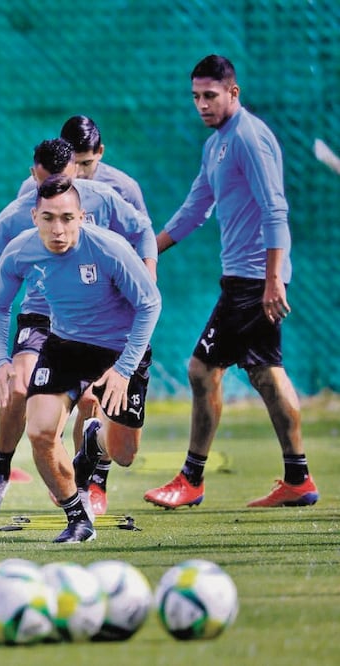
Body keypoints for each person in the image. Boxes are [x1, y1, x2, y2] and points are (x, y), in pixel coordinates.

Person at [144, 54, 318, 510]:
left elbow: (275, 208)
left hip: (255, 279)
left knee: (203, 370)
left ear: (233, 92)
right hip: (243, 279)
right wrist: (148, 252)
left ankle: (192, 479)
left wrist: (273, 278)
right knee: (263, 372)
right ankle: (297, 479)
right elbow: (196, 208)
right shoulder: (216, 144)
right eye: (196, 97)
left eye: (210, 95)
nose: (202, 104)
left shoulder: (248, 137)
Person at [0, 139, 156, 521]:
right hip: (45, 316)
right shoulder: (22, 216)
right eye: (48, 215)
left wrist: (147, 271)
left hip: (104, 323)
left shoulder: (104, 204)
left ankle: (90, 464)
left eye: (66, 216)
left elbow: (144, 233)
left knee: (112, 434)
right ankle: (5, 471)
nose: (58, 226)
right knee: (20, 389)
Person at [17, 115, 149, 216]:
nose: (78, 172)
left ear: (100, 152)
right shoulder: (35, 187)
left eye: (86, 163)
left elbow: (141, 234)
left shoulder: (123, 189)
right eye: (73, 163)